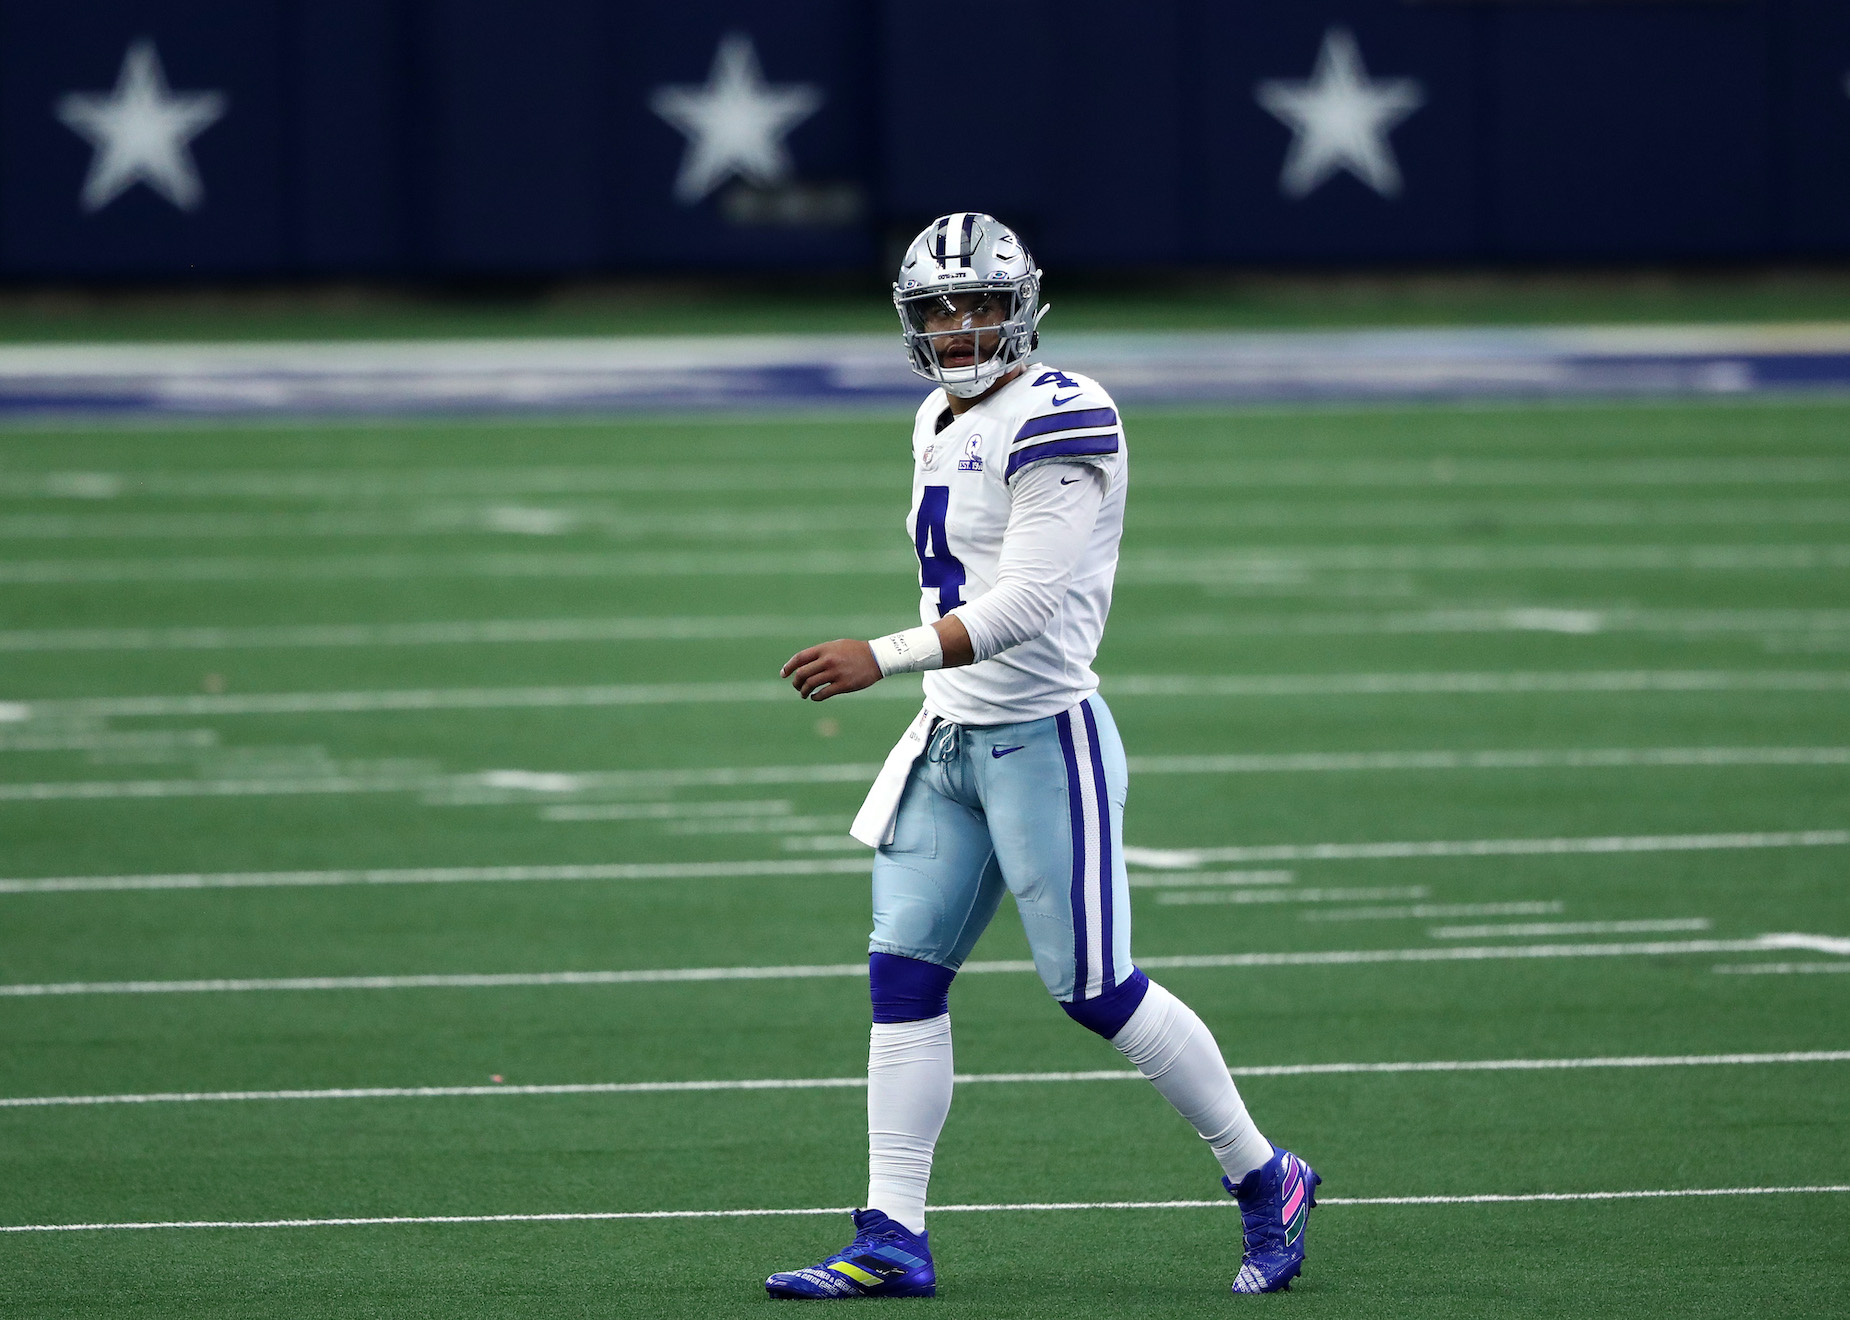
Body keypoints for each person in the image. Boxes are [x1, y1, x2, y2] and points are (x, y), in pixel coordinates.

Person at [767, 213, 1318, 1300]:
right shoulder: (934, 411)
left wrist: (879, 655)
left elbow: (1028, 601)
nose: (959, 326)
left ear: (1019, 308)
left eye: (977, 304)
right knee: (901, 978)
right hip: (949, 736)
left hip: (1042, 736)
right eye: (938, 308)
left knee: (1094, 989)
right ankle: (890, 1236)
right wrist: (917, 679)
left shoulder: (1065, 413)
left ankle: (1266, 1178)